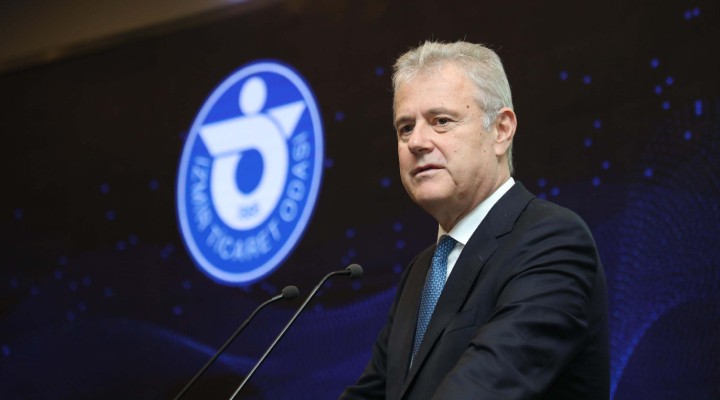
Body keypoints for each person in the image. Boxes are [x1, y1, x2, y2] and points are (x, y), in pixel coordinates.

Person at [340, 40, 609, 399]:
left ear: (501, 130)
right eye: (405, 128)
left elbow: (484, 387)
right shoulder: (422, 272)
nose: (416, 141)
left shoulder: (553, 242)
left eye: (441, 121)